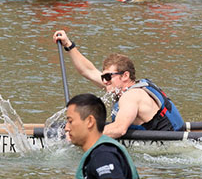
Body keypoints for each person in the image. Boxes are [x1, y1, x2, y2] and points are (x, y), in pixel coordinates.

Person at [53, 29, 185, 136]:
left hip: (167, 153)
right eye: (104, 77)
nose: (105, 82)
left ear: (125, 76)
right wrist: (69, 45)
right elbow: (88, 71)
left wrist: (82, 135)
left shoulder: (132, 96)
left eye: (108, 77)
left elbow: (119, 129)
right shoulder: (120, 86)